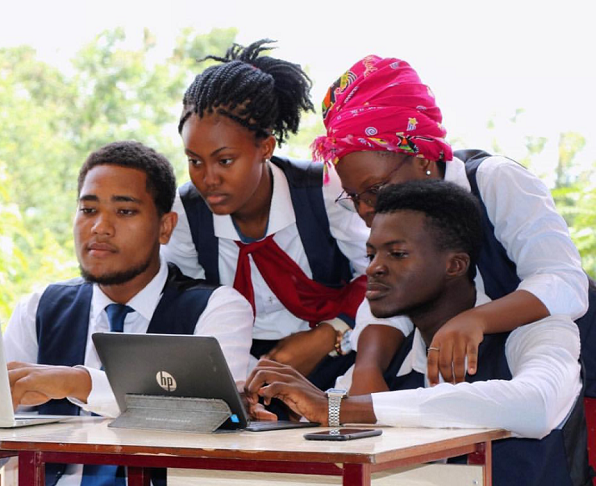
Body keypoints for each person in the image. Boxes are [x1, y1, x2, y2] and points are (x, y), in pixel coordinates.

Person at [247, 180, 589, 486]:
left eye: (397, 254)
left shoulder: (538, 330)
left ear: (454, 265)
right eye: (371, 254)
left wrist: (338, 409)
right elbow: (329, 418)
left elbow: (537, 406)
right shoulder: (385, 360)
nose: (374, 268)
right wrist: (271, 410)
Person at [312, 55, 592, 395]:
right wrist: (367, 368)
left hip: (566, 380)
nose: (368, 209)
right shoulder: (390, 211)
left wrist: (477, 319)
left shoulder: (494, 181)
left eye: (375, 189)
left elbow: (564, 281)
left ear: (422, 159)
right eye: (354, 197)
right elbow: (392, 294)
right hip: (470, 386)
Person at [4, 140, 253, 486]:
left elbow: (213, 416)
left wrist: (80, 382)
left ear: (165, 227)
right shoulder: (39, 307)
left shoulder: (216, 309)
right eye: (88, 210)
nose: (100, 228)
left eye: (124, 211)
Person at [161, 39, 371, 390]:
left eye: (225, 160)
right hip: (237, 366)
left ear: (265, 147)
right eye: (194, 161)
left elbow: (380, 278)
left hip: (338, 354)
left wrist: (328, 335)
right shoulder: (186, 212)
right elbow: (182, 299)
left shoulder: (322, 191)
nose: (207, 178)